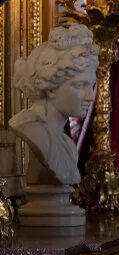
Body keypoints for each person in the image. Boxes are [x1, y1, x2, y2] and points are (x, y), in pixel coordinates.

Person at [10, 22, 98, 186]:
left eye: (91, 86)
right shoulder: (31, 129)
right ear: (50, 86)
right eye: (80, 85)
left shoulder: (67, 145)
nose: (91, 96)